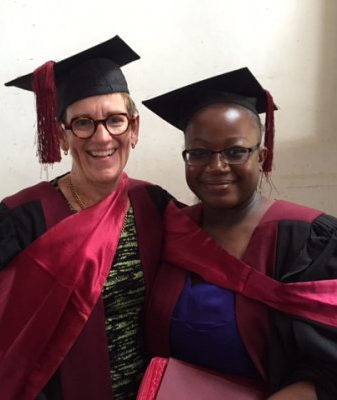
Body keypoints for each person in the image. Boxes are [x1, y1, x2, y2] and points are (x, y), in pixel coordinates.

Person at [0, 36, 171, 400]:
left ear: (134, 129)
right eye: (83, 123)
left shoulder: (155, 205)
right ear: (62, 136)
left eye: (115, 120)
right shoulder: (15, 224)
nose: (102, 136)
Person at [139, 67, 337, 399]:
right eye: (199, 153)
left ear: (262, 156)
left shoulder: (310, 240)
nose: (216, 166)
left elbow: (327, 368)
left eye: (235, 152)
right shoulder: (168, 228)